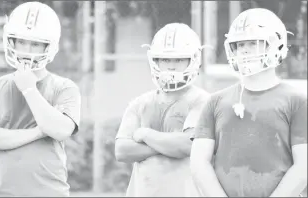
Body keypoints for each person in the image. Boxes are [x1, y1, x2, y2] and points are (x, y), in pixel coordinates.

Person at [189, 8, 307, 197]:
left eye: (252, 43)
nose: (243, 49)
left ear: (274, 44)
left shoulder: (298, 101)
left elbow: (303, 166)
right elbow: (199, 164)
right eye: (239, 44)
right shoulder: (214, 102)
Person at [0, 2, 81, 196]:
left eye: (35, 43)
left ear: (49, 45)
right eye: (21, 41)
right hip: (0, 193)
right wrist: (38, 132)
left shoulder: (64, 87)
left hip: (50, 192)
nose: (26, 49)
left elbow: (61, 130)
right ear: (11, 42)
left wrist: (29, 89)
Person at [114, 23, 209, 197]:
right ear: (155, 60)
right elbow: (122, 150)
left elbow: (188, 145)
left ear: (194, 59)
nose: (171, 67)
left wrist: (146, 135)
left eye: (179, 60)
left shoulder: (202, 100)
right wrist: (166, 145)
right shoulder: (140, 103)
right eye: (165, 60)